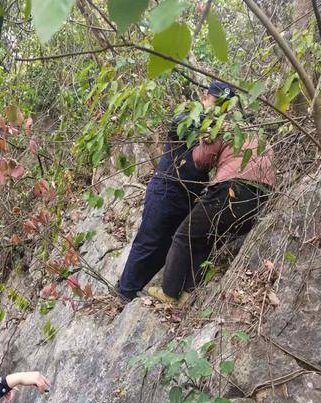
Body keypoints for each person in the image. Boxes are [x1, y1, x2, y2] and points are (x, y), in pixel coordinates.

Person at [117, 80, 236, 301]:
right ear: (204, 97)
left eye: (226, 106)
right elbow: (179, 126)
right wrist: (213, 124)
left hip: (189, 194)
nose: (220, 109)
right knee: (150, 239)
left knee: (169, 245)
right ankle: (125, 291)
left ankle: (133, 287)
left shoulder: (222, 129)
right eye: (216, 102)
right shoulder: (188, 115)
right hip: (166, 187)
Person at [147, 123, 276, 304]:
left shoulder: (223, 125)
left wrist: (200, 142)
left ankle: (169, 292)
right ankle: (187, 293)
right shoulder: (257, 131)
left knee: (184, 236)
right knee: (207, 240)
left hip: (233, 187)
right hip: (262, 195)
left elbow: (202, 159)